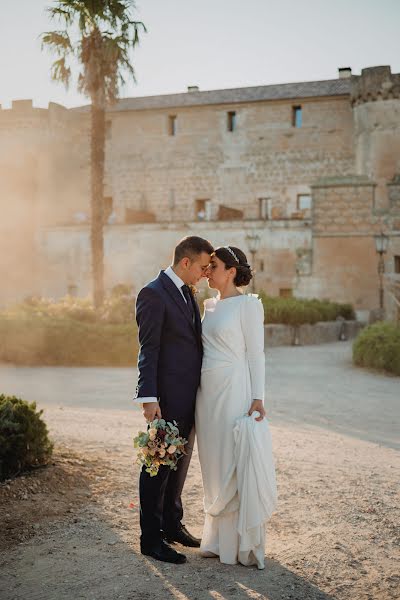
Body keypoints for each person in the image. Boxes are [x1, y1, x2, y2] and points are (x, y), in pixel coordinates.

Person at [134, 235, 214, 564]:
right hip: (164, 399)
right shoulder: (153, 294)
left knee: (178, 465)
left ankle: (171, 524)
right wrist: (148, 398)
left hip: (188, 398)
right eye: (203, 267)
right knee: (156, 466)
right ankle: (151, 539)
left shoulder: (186, 292)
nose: (205, 274)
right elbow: (148, 349)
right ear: (185, 263)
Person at [196, 245, 277, 569]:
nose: (207, 271)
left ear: (231, 271)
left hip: (234, 390)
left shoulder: (248, 305)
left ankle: (241, 545)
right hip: (206, 394)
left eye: (212, 266)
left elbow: (256, 354)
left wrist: (258, 396)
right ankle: (216, 540)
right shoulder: (208, 305)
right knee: (212, 462)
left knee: (233, 459)